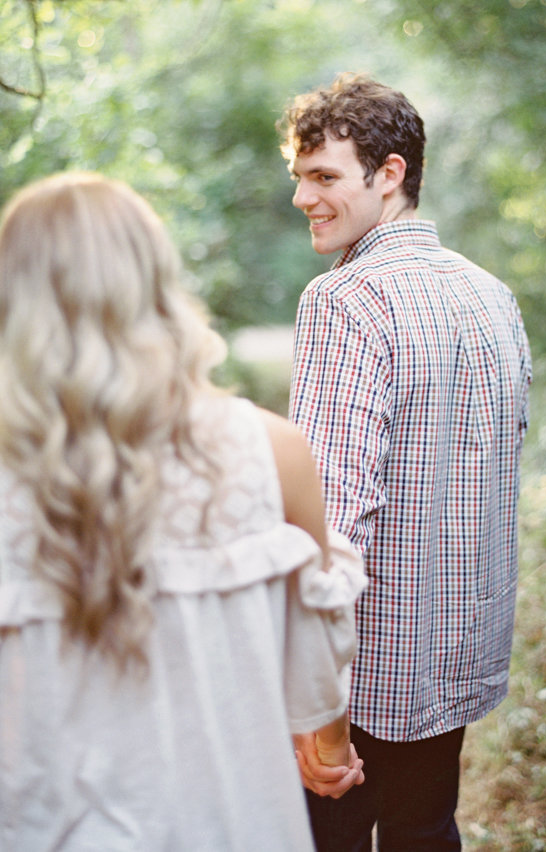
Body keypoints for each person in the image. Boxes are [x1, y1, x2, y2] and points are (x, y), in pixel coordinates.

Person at [0, 171, 367, 851]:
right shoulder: (272, 451)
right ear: (159, 289)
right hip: (230, 823)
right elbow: (317, 678)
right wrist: (330, 749)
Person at [279, 73, 533, 851]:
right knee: (427, 831)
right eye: (298, 177)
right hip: (455, 659)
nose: (303, 198)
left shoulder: (345, 300)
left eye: (324, 176)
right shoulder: (493, 296)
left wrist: (311, 708)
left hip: (362, 680)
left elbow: (328, 518)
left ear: (389, 175)